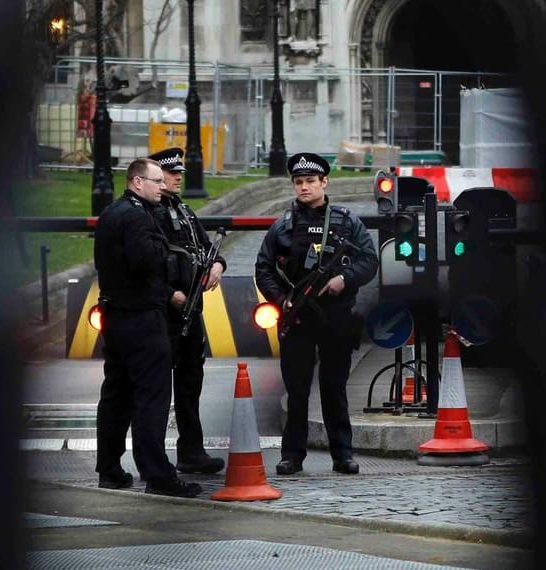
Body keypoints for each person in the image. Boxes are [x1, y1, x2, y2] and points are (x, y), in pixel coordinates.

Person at [254, 152, 377, 475]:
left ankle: (342, 454)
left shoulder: (347, 221)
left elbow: (369, 260)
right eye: (299, 182)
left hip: (336, 316)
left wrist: (344, 279)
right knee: (296, 391)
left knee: (334, 388)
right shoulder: (283, 225)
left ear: (324, 182)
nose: (304, 187)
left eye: (310, 181)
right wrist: (282, 300)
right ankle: (292, 455)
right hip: (298, 318)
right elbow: (263, 268)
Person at [93, 158, 202, 498]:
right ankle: (157, 475)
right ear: (137, 182)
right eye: (156, 181)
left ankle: (109, 468)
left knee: (116, 394)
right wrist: (164, 252)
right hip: (143, 316)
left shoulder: (112, 213)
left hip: (115, 314)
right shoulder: (139, 216)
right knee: (151, 397)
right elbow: (147, 260)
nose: (162, 186)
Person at [148, 147, 227, 475]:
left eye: (179, 172)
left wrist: (219, 264)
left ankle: (191, 450)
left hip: (191, 310)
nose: (179, 177)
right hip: (163, 313)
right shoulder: (148, 214)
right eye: (171, 173)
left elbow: (206, 248)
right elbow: (145, 265)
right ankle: (154, 458)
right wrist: (170, 294)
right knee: (157, 388)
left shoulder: (182, 209)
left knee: (190, 384)